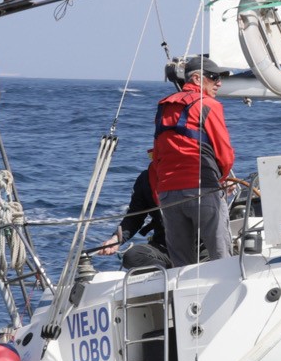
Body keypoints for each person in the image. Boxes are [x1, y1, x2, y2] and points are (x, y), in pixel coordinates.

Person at [152, 55, 236, 264]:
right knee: (221, 258)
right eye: (214, 77)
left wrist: (160, 190)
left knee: (181, 264)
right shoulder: (208, 104)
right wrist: (222, 179)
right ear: (197, 78)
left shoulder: (163, 106)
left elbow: (158, 154)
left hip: (168, 194)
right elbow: (224, 153)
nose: (219, 83)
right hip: (202, 188)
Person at [97, 151, 170, 269]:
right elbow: (134, 218)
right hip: (164, 248)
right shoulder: (146, 179)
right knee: (132, 257)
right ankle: (171, 271)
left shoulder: (198, 174)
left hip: (198, 250)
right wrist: (116, 239)